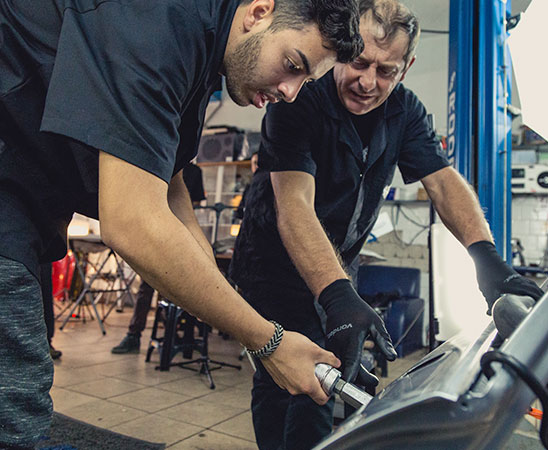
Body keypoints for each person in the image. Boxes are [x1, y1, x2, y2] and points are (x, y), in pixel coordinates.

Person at [0, 0, 364, 447]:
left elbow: (169, 186)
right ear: (259, 11)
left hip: (26, 202)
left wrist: (207, 280)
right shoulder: (160, 18)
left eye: (306, 80)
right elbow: (133, 222)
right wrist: (267, 341)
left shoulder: (203, 50)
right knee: (14, 407)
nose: (291, 92)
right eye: (293, 65)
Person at [229, 1, 545, 448]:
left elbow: (443, 182)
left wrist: (487, 259)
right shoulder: (299, 97)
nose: (367, 82)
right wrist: (337, 297)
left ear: (407, 66)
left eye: (386, 70)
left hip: (338, 263)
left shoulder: (405, 111)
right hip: (274, 263)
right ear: (343, 50)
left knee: (325, 380)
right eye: (359, 62)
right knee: (285, 374)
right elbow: (294, 204)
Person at [112, 162, 207, 354]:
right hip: (154, 231)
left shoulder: (194, 172)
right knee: (147, 286)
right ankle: (134, 335)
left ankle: (175, 333)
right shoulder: (161, 161)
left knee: (179, 289)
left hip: (181, 235)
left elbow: (193, 205)